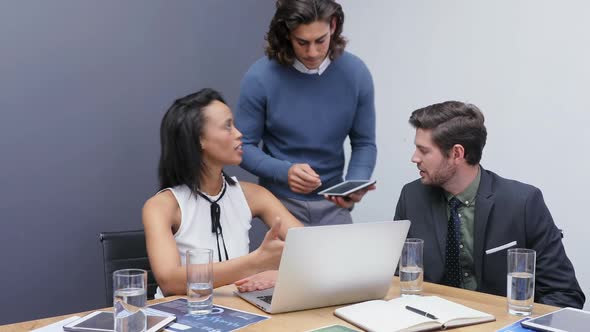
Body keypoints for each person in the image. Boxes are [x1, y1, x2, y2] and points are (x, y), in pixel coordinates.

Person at [394, 101, 585, 308]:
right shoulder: (411, 197)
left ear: (457, 154)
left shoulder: (523, 203)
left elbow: (564, 294)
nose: (414, 158)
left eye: (424, 150)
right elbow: (396, 280)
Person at [142, 88, 302, 297]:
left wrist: (276, 273)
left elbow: (307, 246)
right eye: (228, 126)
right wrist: (256, 263)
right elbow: (170, 282)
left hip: (241, 312)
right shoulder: (161, 206)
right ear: (199, 140)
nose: (238, 134)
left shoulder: (255, 195)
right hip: (184, 317)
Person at [235, 0, 376, 226]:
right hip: (278, 204)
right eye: (302, 42)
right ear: (287, 34)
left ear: (333, 25)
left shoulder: (356, 73)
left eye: (320, 41)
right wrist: (284, 171)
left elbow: (364, 143)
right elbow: (242, 146)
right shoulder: (259, 77)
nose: (312, 52)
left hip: (333, 203)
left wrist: (353, 184)